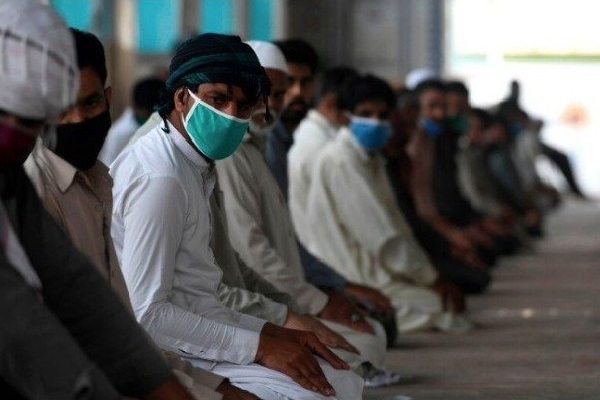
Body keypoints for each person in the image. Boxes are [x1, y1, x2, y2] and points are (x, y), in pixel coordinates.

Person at [110, 33, 362, 400]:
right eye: (218, 99)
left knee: (342, 379)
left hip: (201, 334)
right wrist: (259, 346)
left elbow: (198, 295)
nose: (231, 115)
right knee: (320, 394)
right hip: (166, 354)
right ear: (182, 98)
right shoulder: (161, 178)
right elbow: (148, 316)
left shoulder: (193, 164)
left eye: (242, 106)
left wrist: (272, 333)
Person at [24, 27, 251, 400]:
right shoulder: (36, 191)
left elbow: (124, 329)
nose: (78, 119)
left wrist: (211, 386)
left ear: (108, 99)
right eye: (62, 108)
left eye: (91, 104)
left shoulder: (96, 184)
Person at [0, 1, 195, 399]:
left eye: (32, 123)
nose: (16, 136)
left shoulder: (11, 178)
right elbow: (18, 321)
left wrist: (159, 381)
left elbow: (74, 285)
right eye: (6, 116)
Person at [216, 40, 398, 388]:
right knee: (357, 349)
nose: (269, 105)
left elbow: (271, 249)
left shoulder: (258, 145)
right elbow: (249, 254)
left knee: (367, 336)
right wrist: (304, 307)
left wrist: (312, 302)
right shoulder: (221, 154)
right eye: (260, 93)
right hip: (245, 310)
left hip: (276, 297)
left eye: (278, 95)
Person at [304, 74, 472, 334]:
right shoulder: (342, 161)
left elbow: (397, 225)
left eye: (382, 115)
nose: (375, 122)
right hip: (356, 275)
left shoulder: (372, 159)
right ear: (347, 117)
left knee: (447, 305)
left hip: (380, 271)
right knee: (439, 308)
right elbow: (384, 241)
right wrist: (432, 278)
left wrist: (427, 276)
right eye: (365, 113)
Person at [267, 38, 319, 195]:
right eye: (289, 82)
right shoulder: (265, 141)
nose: (298, 91)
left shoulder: (315, 136)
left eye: (305, 82)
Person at [99, 76, 163, 166]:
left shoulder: (160, 122)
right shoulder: (120, 133)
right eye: (148, 112)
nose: (153, 116)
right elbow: (108, 166)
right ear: (138, 107)